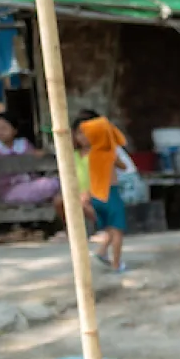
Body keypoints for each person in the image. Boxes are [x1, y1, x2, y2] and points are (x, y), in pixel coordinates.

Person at [75, 109, 130, 270]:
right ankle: (116, 263)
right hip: (110, 194)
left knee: (110, 229)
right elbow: (124, 167)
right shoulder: (106, 152)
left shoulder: (83, 155)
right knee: (118, 230)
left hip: (94, 196)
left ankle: (102, 251)